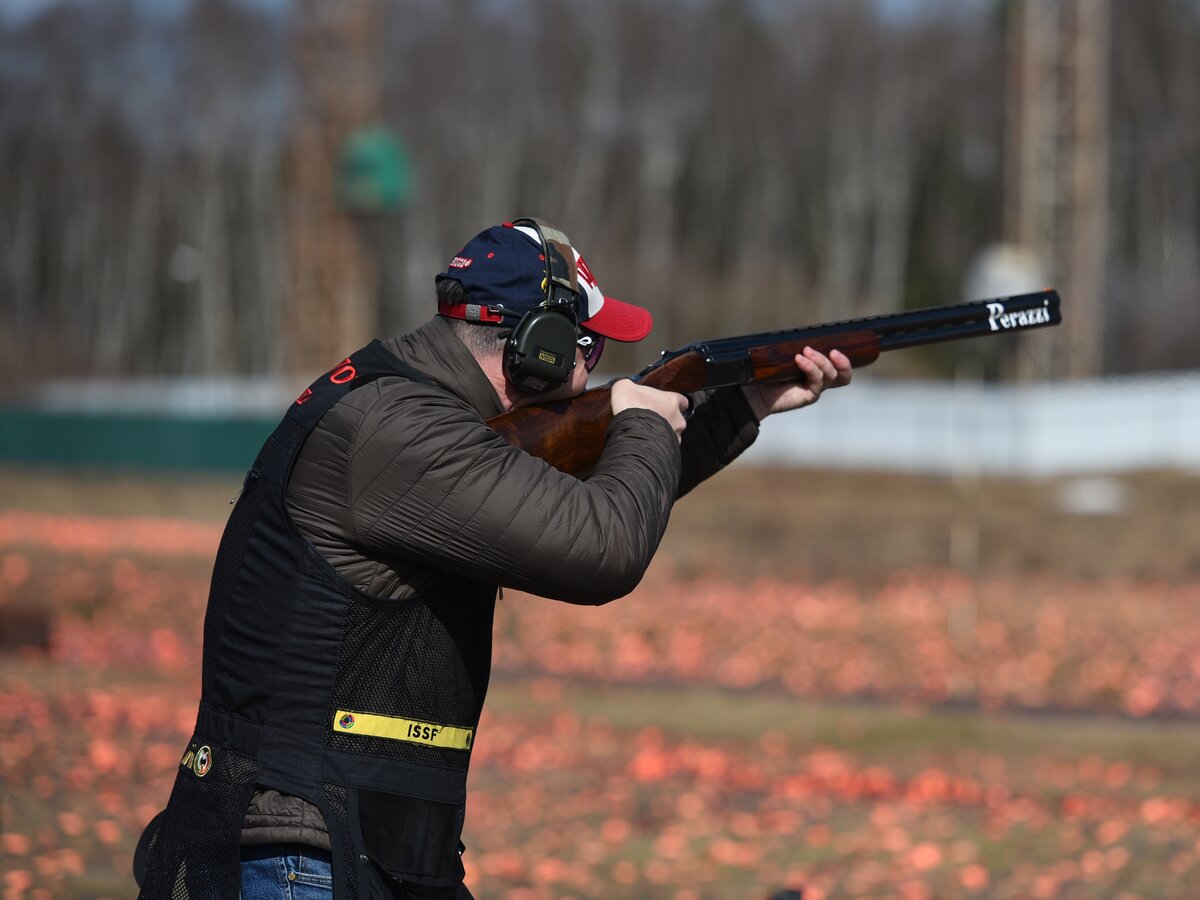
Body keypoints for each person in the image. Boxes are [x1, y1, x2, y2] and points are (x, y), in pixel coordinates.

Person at [134, 218, 851, 900]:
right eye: (586, 349)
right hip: (303, 854)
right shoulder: (401, 430)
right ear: (536, 345)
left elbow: (568, 504)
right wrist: (640, 422)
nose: (591, 371)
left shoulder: (408, 407)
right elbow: (602, 545)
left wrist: (743, 405)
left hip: (352, 842)